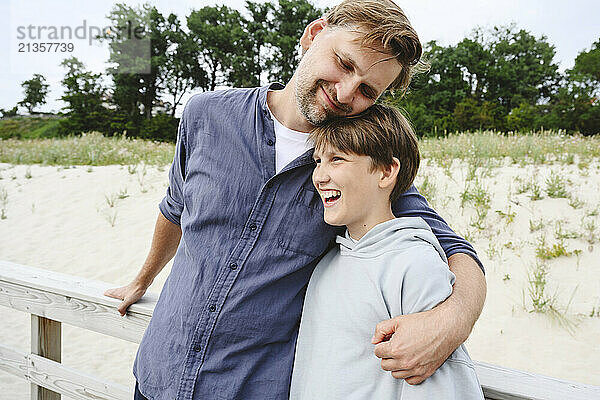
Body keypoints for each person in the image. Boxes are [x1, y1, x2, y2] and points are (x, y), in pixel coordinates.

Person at [104, 1, 487, 399]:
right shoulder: (206, 114)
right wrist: (142, 279)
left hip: (251, 389)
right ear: (314, 34)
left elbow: (456, 251)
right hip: (156, 376)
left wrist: (451, 323)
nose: (344, 93)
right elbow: (175, 208)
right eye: (345, 63)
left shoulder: (358, 172)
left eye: (367, 91)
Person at [289, 104, 485, 399]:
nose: (319, 176)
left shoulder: (415, 265)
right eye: (318, 161)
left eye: (337, 160)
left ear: (386, 171)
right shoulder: (327, 262)